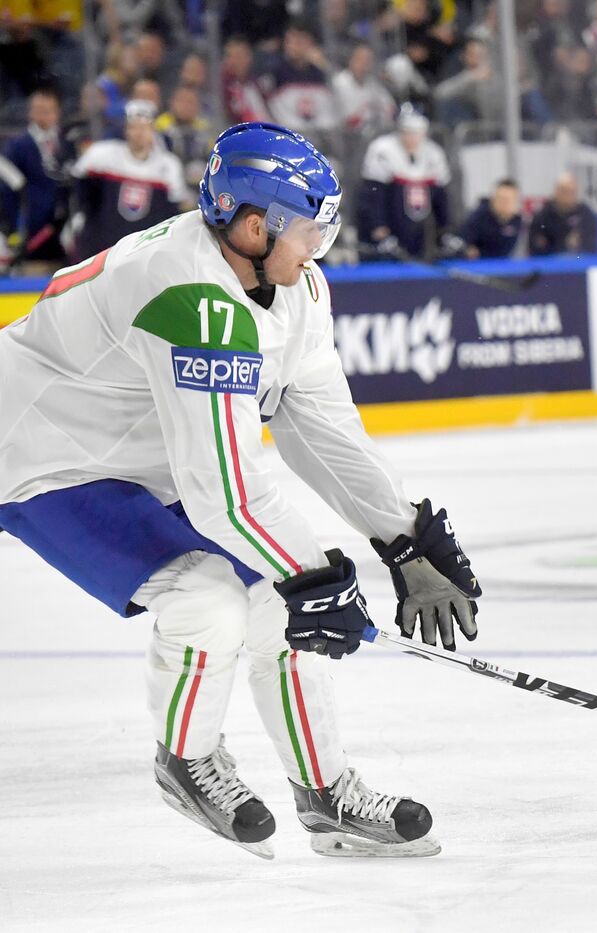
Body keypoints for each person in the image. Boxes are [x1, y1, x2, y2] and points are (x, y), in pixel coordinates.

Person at [0, 123, 482, 858]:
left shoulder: (293, 287)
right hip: (42, 454)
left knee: (275, 600)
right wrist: (315, 575)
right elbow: (220, 488)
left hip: (137, 454)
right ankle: (185, 759)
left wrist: (404, 532)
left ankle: (326, 795)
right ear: (254, 225)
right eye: (309, 233)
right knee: (209, 599)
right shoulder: (190, 292)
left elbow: (321, 424)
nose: (319, 250)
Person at [68, 100, 191, 260]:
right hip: (101, 248)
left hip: (144, 253)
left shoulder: (168, 166)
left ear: (153, 130)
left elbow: (175, 212)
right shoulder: (101, 155)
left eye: (144, 127)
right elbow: (77, 190)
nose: (139, 133)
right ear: (126, 129)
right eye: (134, 127)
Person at [358, 106, 456, 261]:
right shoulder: (382, 149)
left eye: (416, 133)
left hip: (419, 225)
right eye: (407, 132)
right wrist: (378, 225)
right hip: (392, 218)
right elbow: (373, 193)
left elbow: (441, 196)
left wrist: (445, 230)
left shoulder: (433, 153)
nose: (412, 138)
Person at [0, 87, 75, 274]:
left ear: (57, 113)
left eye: (48, 110)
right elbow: (8, 193)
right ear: (30, 112)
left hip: (64, 242)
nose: (43, 116)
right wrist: (14, 234)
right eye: (39, 110)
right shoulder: (17, 147)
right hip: (33, 242)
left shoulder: (67, 144)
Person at [529, 171, 597, 256]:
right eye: (565, 191)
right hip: (550, 266)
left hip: (579, 263)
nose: (569, 196)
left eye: (572, 192)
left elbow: (592, 246)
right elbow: (536, 247)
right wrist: (564, 244)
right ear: (556, 191)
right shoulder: (542, 216)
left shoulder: (585, 213)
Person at [459, 178, 523, 259]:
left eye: (509, 200)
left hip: (502, 265)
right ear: (493, 198)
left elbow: (506, 249)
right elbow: (465, 245)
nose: (504, 204)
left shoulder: (517, 220)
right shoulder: (478, 217)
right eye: (501, 199)